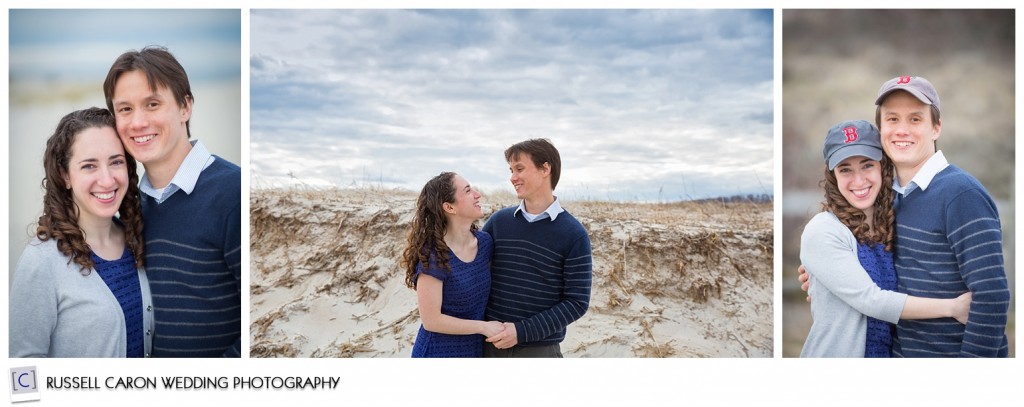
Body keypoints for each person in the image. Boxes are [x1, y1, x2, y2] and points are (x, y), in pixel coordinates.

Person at [800, 76, 1010, 357]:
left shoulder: (962, 194)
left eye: (915, 120)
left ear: (936, 127)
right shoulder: (891, 199)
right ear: (881, 130)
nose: (902, 130)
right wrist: (820, 275)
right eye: (892, 119)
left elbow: (991, 298)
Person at [103, 46, 242, 357]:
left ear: (185, 107)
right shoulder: (129, 206)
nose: (137, 122)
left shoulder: (233, 191)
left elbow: (257, 320)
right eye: (125, 109)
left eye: (152, 104)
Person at [800, 119, 970, 357]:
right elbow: (871, 300)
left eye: (867, 165)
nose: (859, 181)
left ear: (883, 166)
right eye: (845, 169)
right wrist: (953, 308)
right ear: (833, 176)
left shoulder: (892, 223)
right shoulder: (823, 229)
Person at [9, 107, 155, 357]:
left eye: (116, 162)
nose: (107, 180)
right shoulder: (42, 262)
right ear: (65, 175)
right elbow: (22, 372)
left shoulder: (137, 240)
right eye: (89, 166)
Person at [481, 138, 592, 358]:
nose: (513, 178)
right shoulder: (499, 222)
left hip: (539, 351)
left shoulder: (574, 234)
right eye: (511, 170)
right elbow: (472, 269)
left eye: (519, 169)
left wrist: (521, 332)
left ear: (545, 168)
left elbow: (577, 302)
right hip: (487, 346)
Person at [401, 172, 501, 357]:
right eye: (468, 190)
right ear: (449, 207)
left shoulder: (485, 243)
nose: (478, 194)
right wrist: (484, 327)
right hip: (438, 352)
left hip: (474, 351)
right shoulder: (434, 255)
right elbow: (432, 320)